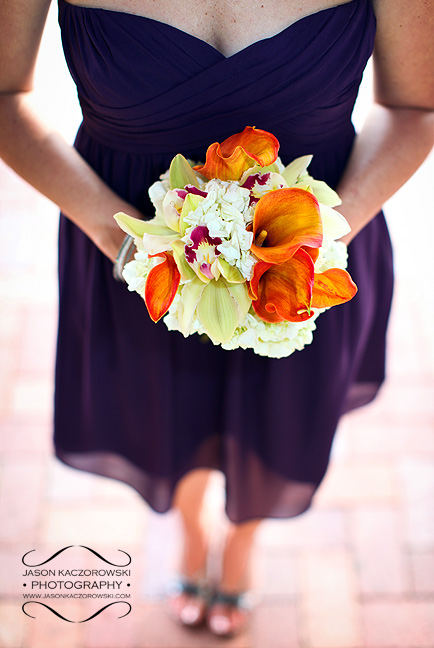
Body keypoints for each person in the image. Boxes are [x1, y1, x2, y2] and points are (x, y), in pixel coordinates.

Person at [1, 0, 433, 638]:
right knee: (163, 415)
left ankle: (241, 545)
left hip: (306, 264)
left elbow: (415, 108)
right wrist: (126, 244)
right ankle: (191, 529)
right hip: (132, 259)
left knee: (280, 420)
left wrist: (313, 249)